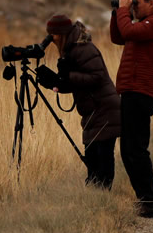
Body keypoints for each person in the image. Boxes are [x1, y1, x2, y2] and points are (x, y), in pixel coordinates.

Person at [36, 14, 121, 190]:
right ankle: (95, 196)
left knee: (102, 155)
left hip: (104, 108)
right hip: (94, 109)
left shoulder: (84, 49)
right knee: (92, 157)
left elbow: (96, 77)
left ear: (62, 33)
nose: (51, 39)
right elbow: (79, 83)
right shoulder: (72, 49)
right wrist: (53, 82)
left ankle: (103, 196)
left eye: (53, 34)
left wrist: (67, 75)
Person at [110, 0, 153, 218]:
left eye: (137, 3)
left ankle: (149, 203)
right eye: (132, 3)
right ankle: (145, 201)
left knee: (136, 150)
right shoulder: (142, 27)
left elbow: (127, 32)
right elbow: (118, 36)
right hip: (132, 91)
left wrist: (124, 12)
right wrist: (117, 11)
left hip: (141, 92)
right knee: (129, 151)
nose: (133, 7)